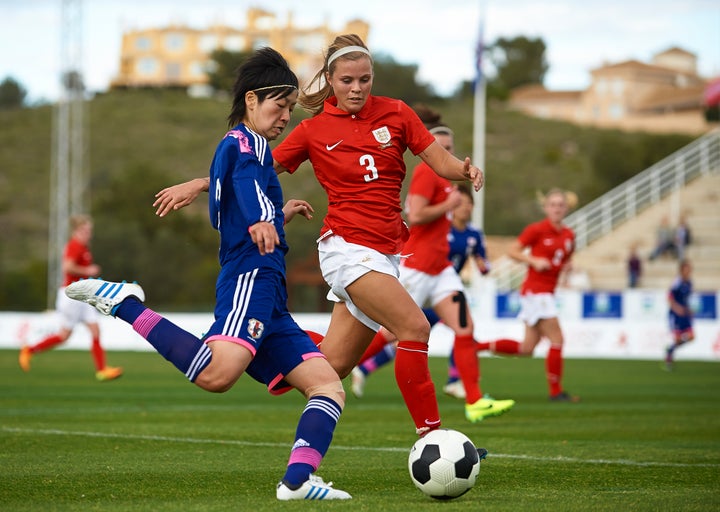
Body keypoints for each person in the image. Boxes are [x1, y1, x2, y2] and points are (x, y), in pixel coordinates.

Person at [152, 34, 484, 437]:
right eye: (347, 80)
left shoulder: (397, 113)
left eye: (364, 79)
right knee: (414, 327)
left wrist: (463, 170)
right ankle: (435, 440)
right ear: (330, 79)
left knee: (332, 365)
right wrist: (199, 183)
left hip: (386, 252)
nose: (357, 88)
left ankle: (265, 352)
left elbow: (438, 159)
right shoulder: (313, 130)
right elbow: (256, 167)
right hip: (346, 249)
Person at [65, 48, 351, 501]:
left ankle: (297, 482)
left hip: (270, 292)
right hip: (250, 279)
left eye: (291, 110)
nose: (285, 119)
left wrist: (278, 214)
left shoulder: (235, 145)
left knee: (327, 386)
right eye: (280, 107)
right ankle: (125, 304)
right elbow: (246, 186)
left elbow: (240, 192)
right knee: (217, 376)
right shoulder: (247, 145)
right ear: (252, 100)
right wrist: (264, 215)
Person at [474, 189, 580, 402]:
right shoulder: (537, 230)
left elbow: (566, 259)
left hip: (546, 292)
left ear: (566, 208)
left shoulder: (569, 235)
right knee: (557, 339)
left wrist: (567, 270)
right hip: (535, 291)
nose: (557, 208)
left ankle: (475, 347)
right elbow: (513, 251)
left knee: (527, 348)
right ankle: (556, 392)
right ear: (546, 208)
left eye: (561, 205)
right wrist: (533, 261)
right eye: (553, 204)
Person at [18, 214, 123, 381]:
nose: (89, 233)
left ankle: (102, 370)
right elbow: (68, 267)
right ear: (77, 230)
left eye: (90, 230)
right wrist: (88, 271)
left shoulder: (83, 247)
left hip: (83, 296)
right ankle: (29, 350)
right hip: (71, 296)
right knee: (64, 336)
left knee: (95, 330)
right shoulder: (75, 246)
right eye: (86, 230)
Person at [664, 259, 694, 371]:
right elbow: (669, 297)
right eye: (687, 268)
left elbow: (686, 299)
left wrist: (689, 310)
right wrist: (677, 308)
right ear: (682, 269)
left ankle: (671, 349)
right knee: (676, 339)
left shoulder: (690, 282)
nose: (689, 270)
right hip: (676, 314)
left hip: (685, 313)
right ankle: (670, 353)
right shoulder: (677, 281)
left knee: (691, 337)